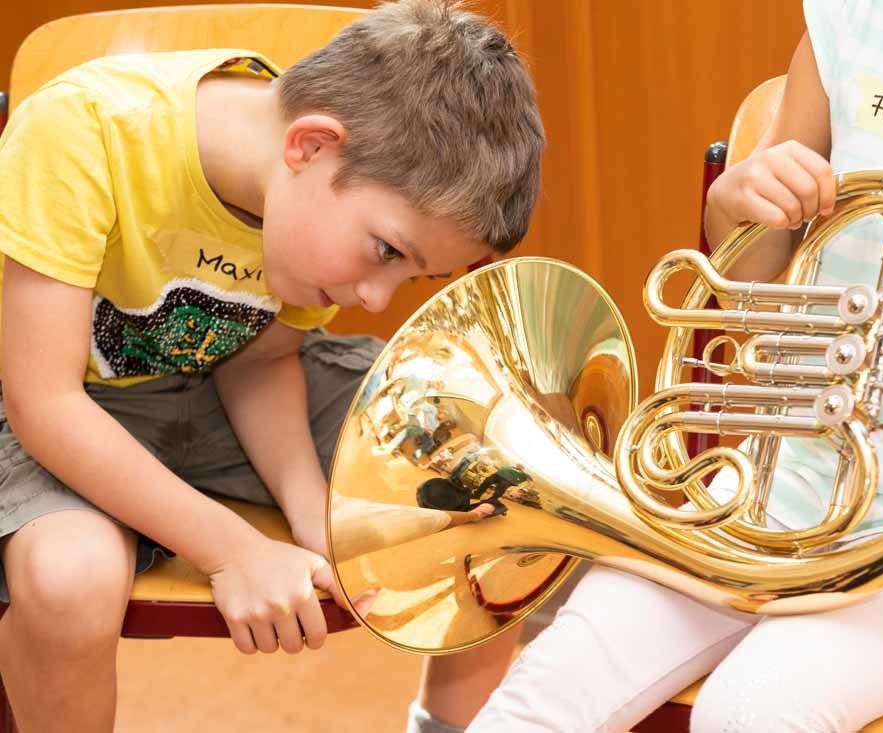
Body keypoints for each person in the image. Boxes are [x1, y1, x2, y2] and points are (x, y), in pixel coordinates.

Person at [467, 1, 883, 731]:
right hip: (792, 479)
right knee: (557, 677)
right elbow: (747, 290)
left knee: (755, 708)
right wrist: (741, 207)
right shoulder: (853, 30)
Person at [0, 1, 543, 731]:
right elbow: (45, 403)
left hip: (215, 387)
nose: (377, 300)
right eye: (386, 250)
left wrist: (315, 514)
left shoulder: (315, 207)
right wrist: (231, 551)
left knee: (497, 463)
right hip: (57, 406)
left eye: (409, 276)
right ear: (309, 146)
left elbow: (261, 363)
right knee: (70, 577)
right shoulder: (84, 127)